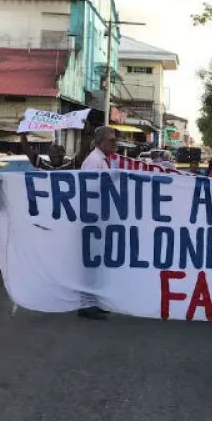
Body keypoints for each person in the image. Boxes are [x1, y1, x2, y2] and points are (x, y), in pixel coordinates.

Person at [76, 126, 119, 320]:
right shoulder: (93, 162)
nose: (115, 144)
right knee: (90, 264)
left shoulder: (102, 160)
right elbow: (89, 191)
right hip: (92, 218)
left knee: (97, 264)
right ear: (101, 142)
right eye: (111, 141)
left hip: (100, 218)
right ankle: (86, 304)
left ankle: (93, 301)